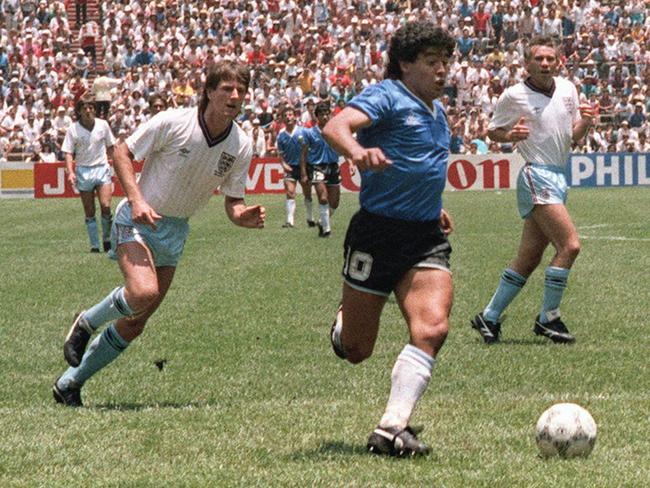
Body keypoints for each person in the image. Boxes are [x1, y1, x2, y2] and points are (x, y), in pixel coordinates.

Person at [52, 61, 266, 407]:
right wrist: (136, 199)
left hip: (175, 231)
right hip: (138, 220)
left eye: (241, 90)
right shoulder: (173, 121)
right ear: (209, 92)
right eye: (227, 88)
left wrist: (242, 216)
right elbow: (121, 151)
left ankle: (70, 383)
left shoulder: (240, 144)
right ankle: (87, 321)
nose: (235, 96)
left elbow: (233, 200)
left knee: (137, 321)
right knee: (143, 291)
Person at [322, 21, 456, 457]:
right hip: (377, 233)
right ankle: (344, 325)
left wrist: (432, 204)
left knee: (432, 327)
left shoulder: (438, 109)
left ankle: (391, 428)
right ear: (405, 65)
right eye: (432, 62)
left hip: (424, 235)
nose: (442, 71)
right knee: (358, 350)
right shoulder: (387, 95)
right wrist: (357, 151)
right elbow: (336, 126)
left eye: (446, 62)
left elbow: (423, 165)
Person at [471, 36, 593, 345]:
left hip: (557, 175)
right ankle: (548, 317)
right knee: (570, 246)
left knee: (528, 258)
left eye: (550, 58)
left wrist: (588, 122)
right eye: (539, 58)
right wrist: (510, 134)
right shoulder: (514, 95)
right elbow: (492, 131)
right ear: (527, 63)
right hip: (536, 174)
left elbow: (572, 138)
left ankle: (489, 317)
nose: (545, 63)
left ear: (558, 61)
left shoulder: (568, 89)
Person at [62, 94, 117, 253]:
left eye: (91, 108)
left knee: (106, 206)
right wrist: (70, 172)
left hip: (101, 167)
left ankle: (107, 239)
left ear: (95, 110)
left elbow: (111, 147)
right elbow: (68, 152)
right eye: (84, 108)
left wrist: (118, 167)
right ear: (79, 111)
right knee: (89, 210)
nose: (88, 110)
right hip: (83, 170)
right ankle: (94, 245)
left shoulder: (103, 125)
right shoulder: (73, 129)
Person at [299, 101, 341, 237]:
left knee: (334, 203)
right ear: (317, 116)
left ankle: (322, 221)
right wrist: (304, 173)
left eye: (327, 114)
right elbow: (304, 154)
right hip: (317, 167)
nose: (325, 116)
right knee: (323, 198)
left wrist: (351, 163)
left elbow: (342, 147)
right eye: (322, 114)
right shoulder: (310, 133)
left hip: (333, 166)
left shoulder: (335, 131)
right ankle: (326, 230)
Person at [276, 105, 313, 228]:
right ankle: (290, 221)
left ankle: (310, 217)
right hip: (290, 168)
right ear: (282, 119)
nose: (288, 117)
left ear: (295, 117)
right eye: (285, 116)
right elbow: (280, 154)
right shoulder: (281, 136)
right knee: (290, 192)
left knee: (307, 193)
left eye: (290, 115)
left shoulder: (303, 131)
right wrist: (284, 164)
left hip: (305, 168)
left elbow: (309, 149)